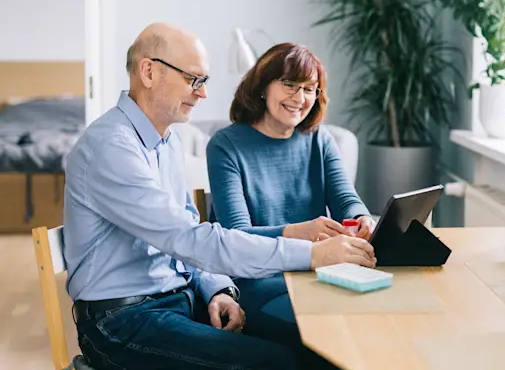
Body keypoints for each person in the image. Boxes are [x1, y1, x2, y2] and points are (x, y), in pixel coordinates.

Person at [63, 23, 376, 370]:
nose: (203, 93)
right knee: (278, 362)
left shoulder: (167, 141)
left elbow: (187, 237)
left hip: (175, 301)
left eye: (204, 81)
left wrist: (216, 289)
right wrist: (312, 253)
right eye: (192, 79)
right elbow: (191, 240)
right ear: (148, 71)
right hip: (121, 321)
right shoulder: (112, 147)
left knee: (317, 347)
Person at [206, 42, 376, 330]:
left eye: (310, 89)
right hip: (257, 281)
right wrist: (298, 232)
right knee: (333, 326)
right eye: (289, 84)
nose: (300, 97)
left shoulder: (319, 140)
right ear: (262, 86)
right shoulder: (225, 146)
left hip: (321, 272)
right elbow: (236, 236)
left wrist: (362, 218)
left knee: (376, 314)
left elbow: (347, 200)